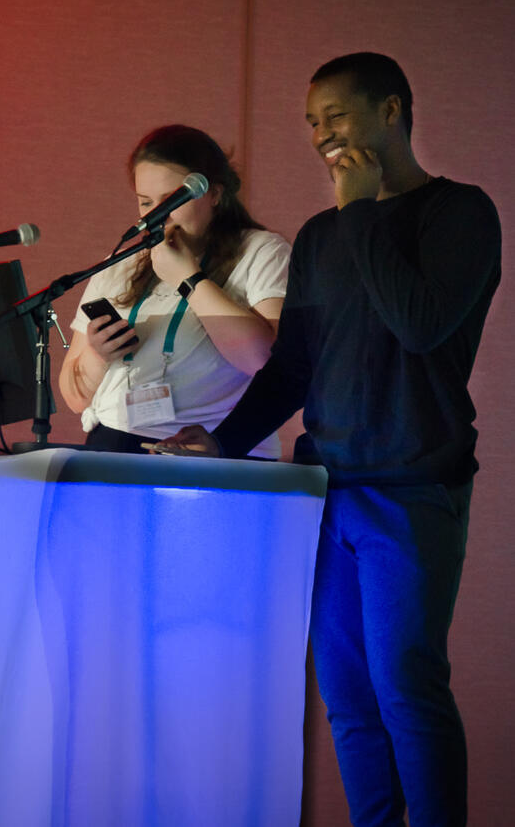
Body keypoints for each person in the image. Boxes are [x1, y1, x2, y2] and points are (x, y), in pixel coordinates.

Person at [163, 53, 501, 826]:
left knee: (407, 687)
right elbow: (295, 367)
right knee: (347, 697)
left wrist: (360, 214)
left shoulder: (460, 214)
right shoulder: (321, 237)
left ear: (391, 111)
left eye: (336, 116)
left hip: (415, 487)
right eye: (312, 122)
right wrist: (225, 440)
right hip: (325, 489)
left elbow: (420, 325)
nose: (321, 135)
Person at [58, 124, 291, 455]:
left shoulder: (262, 251)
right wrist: (98, 354)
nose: (156, 216)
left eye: (171, 200)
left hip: (215, 449)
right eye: (145, 202)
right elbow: (73, 397)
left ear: (214, 194)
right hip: (115, 444)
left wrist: (189, 279)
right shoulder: (120, 264)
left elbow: (266, 361)